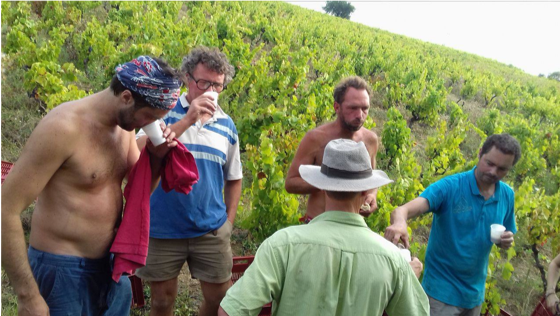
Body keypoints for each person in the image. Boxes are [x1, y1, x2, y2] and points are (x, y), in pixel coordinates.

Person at [0, 56, 182, 316]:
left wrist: (157, 156)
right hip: (61, 270)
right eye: (149, 117)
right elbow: (6, 207)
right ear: (127, 97)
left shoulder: (125, 128)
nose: (149, 125)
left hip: (108, 267)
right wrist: (27, 295)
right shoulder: (64, 128)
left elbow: (138, 190)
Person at [219, 139, 430, 316]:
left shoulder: (283, 245)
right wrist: (406, 276)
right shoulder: (392, 260)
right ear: (366, 190)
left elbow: (230, 311)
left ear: (321, 185)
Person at [135, 46, 242, 316]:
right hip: (162, 228)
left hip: (211, 228)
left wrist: (229, 221)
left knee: (219, 298)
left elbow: (234, 177)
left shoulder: (227, 125)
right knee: (161, 301)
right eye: (203, 82)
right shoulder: (162, 111)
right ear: (186, 78)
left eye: (217, 85)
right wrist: (188, 118)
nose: (210, 91)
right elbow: (136, 149)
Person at [384, 133, 522, 316]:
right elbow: (403, 210)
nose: (493, 172)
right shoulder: (451, 187)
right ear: (480, 153)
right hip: (440, 294)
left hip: (474, 295)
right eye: (490, 163)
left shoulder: (506, 195)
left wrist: (505, 241)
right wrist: (400, 221)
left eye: (502, 169)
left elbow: (506, 233)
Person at [285, 76, 379, 223]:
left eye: (364, 108)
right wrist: (327, 183)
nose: (360, 115)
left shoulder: (370, 140)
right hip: (318, 223)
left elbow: (371, 180)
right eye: (353, 108)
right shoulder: (316, 139)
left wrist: (372, 196)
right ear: (337, 107)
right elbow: (291, 183)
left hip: (351, 227)